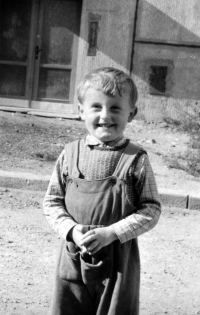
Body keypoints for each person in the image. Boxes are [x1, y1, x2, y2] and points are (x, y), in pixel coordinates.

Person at [43, 67, 161, 315]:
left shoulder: (136, 159)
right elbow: (52, 201)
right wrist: (71, 230)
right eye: (96, 106)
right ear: (81, 111)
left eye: (115, 107)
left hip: (118, 262)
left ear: (132, 113)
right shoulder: (69, 154)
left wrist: (112, 233)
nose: (105, 115)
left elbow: (151, 209)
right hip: (73, 256)